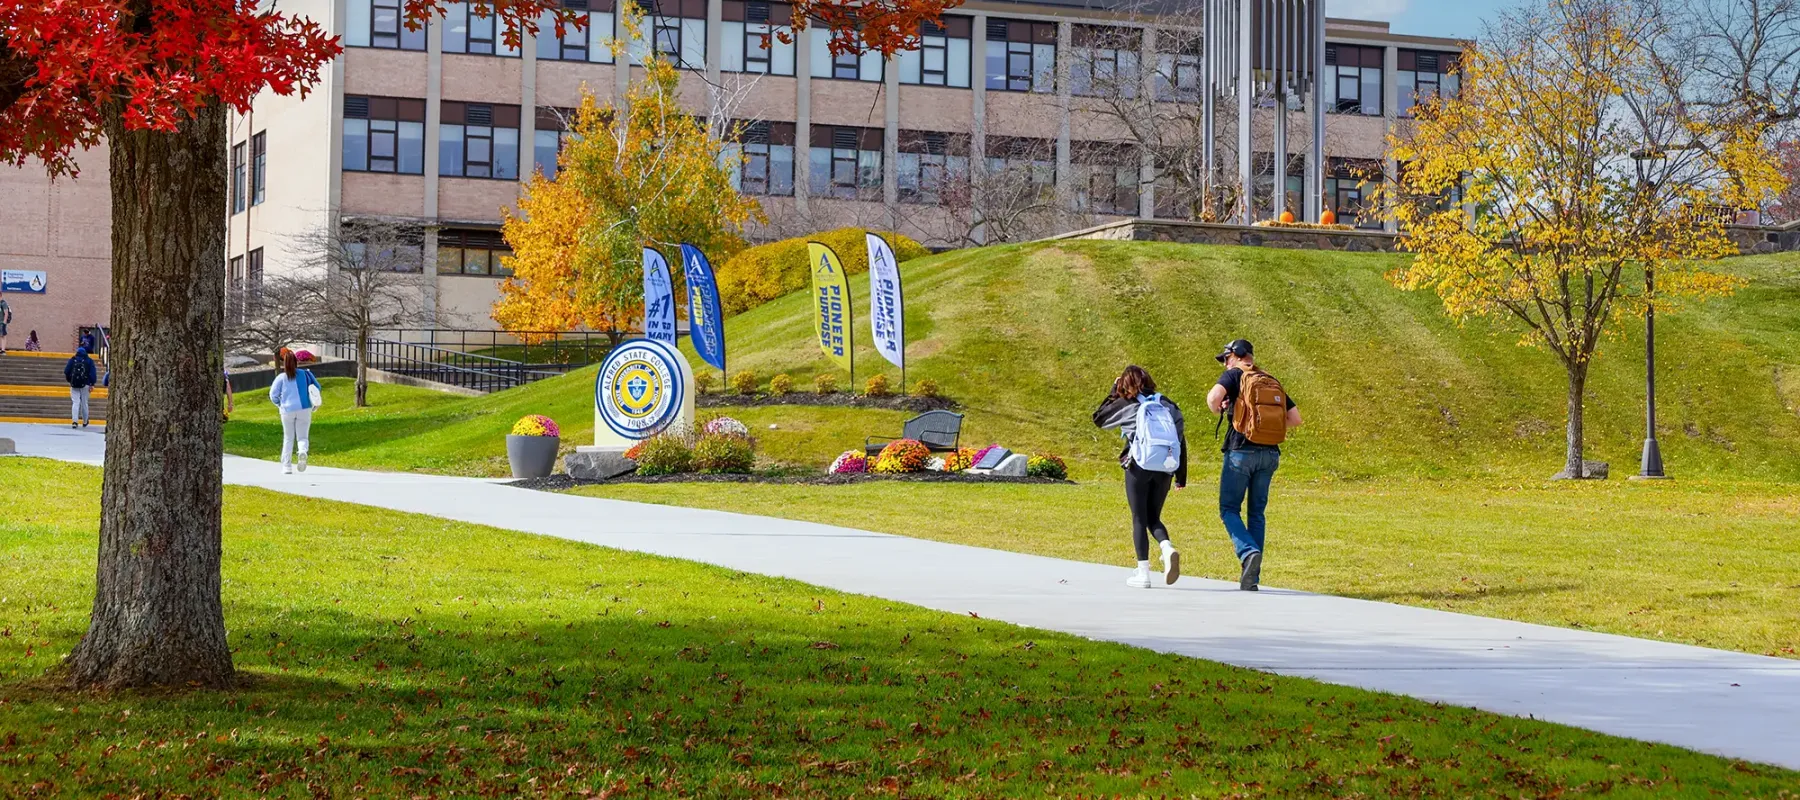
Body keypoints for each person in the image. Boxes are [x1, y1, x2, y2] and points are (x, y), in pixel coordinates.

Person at [1206, 339, 1303, 591]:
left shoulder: (1235, 375)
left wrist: (1224, 410)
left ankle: (1248, 551)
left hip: (1240, 451)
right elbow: (1295, 418)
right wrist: (1262, 424)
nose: (1225, 364)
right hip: (1270, 454)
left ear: (1237, 355)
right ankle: (1251, 578)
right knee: (1257, 514)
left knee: (1229, 509)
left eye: (1226, 358)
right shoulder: (1268, 379)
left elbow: (1213, 398)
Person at [1093, 365, 1189, 589]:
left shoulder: (1127, 403)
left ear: (1125, 384)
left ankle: (1143, 573)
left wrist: (1113, 391)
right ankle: (1167, 547)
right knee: (1153, 517)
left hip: (1139, 465)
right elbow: (1180, 439)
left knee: (1139, 518)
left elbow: (1099, 418)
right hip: (1165, 466)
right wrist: (1180, 475)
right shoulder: (1167, 404)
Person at [269, 350, 320, 474]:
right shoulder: (306, 374)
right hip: (305, 408)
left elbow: (273, 395)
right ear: (296, 362)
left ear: (284, 363)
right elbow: (317, 387)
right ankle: (302, 451)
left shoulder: (281, 378)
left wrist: (279, 403)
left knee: (288, 438)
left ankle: (287, 466)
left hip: (287, 410)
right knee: (302, 436)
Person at [64, 346, 98, 429]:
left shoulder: (73, 360)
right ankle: (85, 421)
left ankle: (74, 421)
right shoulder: (89, 360)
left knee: (75, 402)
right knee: (84, 403)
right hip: (86, 384)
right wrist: (92, 383)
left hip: (74, 384)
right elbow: (93, 373)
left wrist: (70, 380)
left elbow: (66, 371)